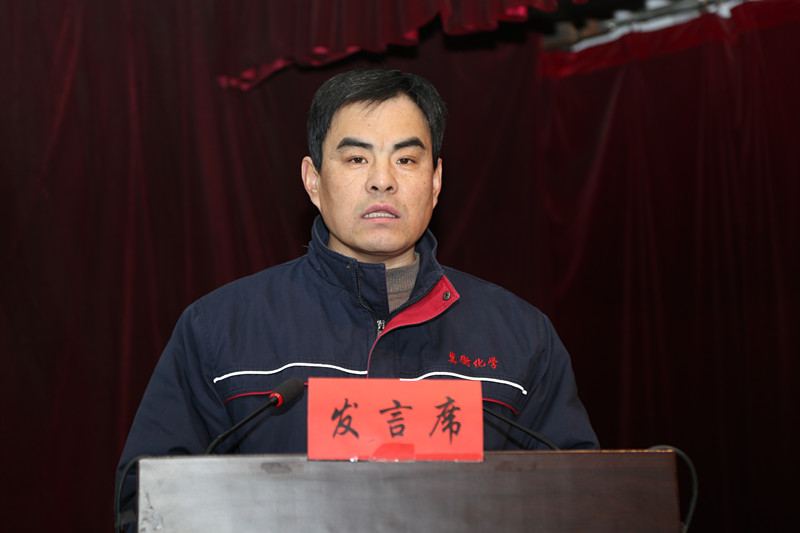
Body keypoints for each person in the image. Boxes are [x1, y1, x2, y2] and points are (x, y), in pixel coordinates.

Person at [115, 68, 598, 526]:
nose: (382, 180)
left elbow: (583, 501)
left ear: (435, 182)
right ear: (313, 180)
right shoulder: (220, 329)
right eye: (356, 159)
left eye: (406, 160)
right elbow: (150, 502)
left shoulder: (520, 337)